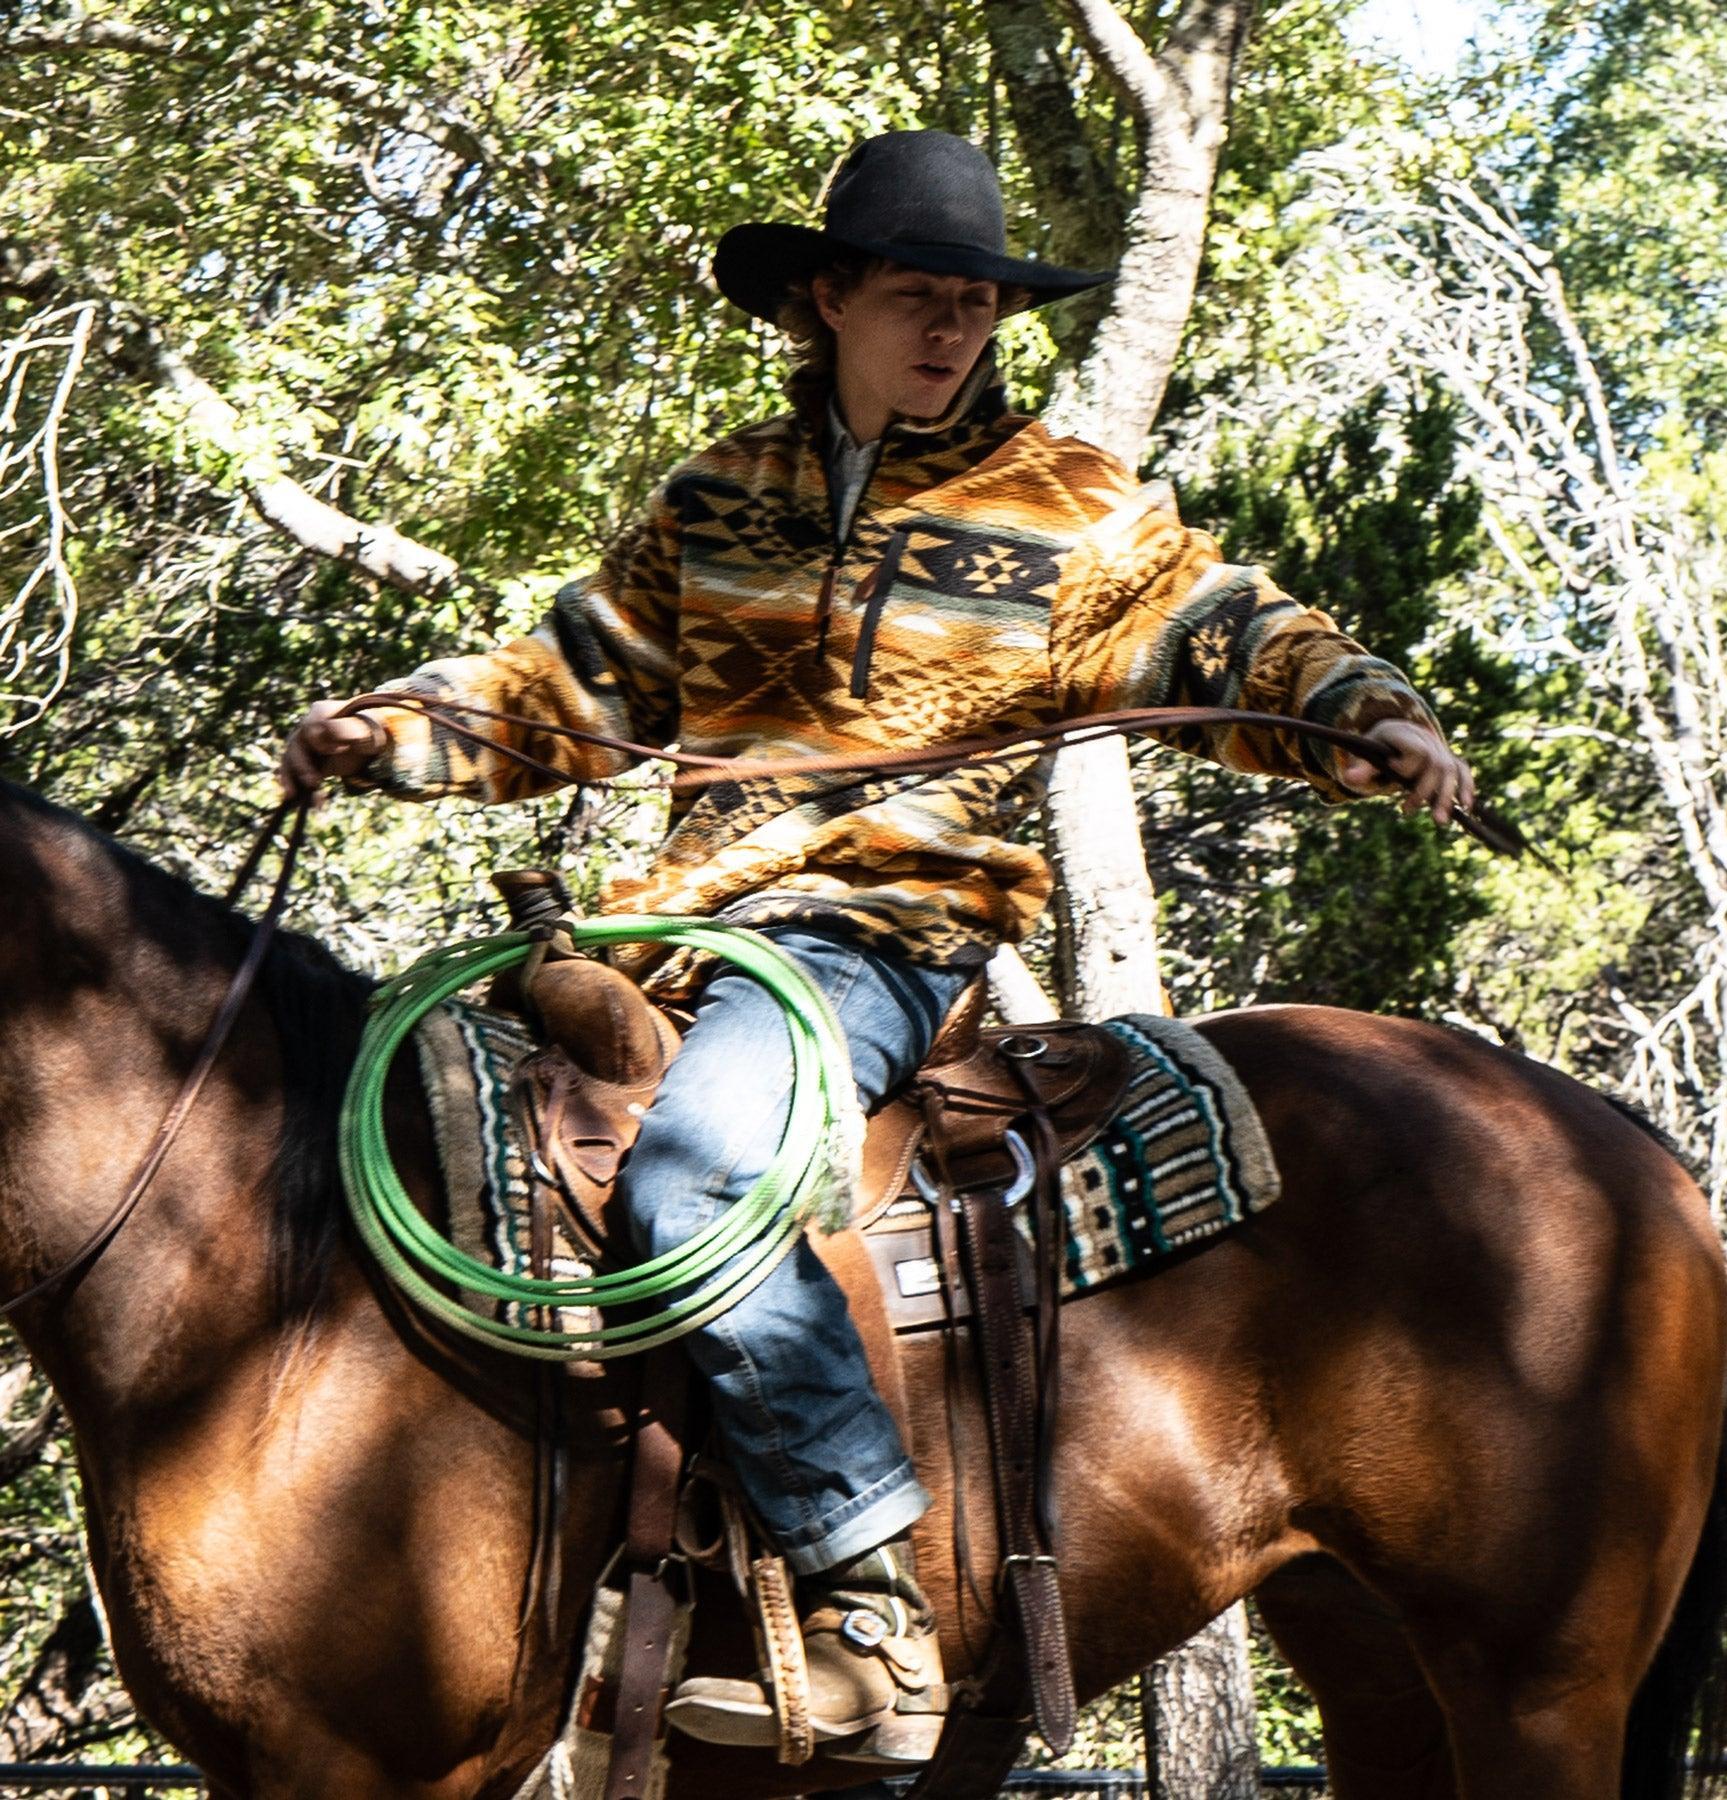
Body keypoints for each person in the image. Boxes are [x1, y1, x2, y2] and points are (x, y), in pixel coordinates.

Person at [279, 129, 1473, 1766]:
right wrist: (393, 736)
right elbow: (558, 691)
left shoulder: (1062, 504)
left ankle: (868, 1612)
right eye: (920, 299)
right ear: (825, 297)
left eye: (978, 309)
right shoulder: (718, 497)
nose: (954, 334)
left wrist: (1364, 713)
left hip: (888, 935)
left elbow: (1226, 625)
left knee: (697, 1175)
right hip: (684, 945)